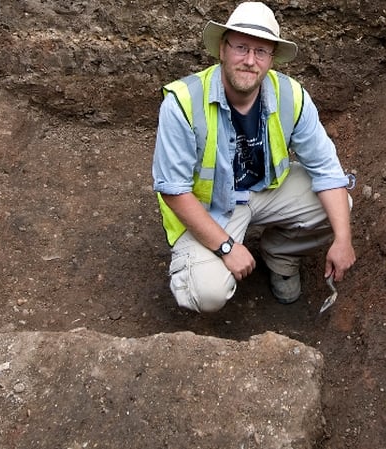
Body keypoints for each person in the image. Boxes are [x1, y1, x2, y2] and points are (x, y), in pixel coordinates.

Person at [152, 1, 356, 313]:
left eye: (261, 52)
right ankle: (218, 254)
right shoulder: (182, 103)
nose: (250, 60)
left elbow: (328, 170)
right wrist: (226, 246)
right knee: (205, 293)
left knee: (339, 208)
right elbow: (173, 190)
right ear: (222, 49)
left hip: (265, 192)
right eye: (241, 47)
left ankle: (281, 255)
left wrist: (343, 240)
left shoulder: (291, 95)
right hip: (212, 208)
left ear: (271, 59)